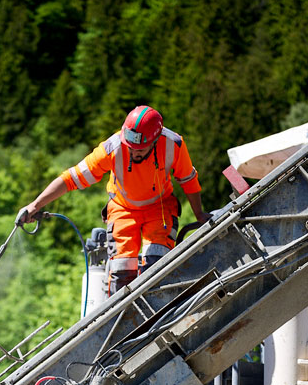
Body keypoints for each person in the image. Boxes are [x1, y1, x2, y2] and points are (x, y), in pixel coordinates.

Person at [17, 105, 206, 293]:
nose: (133, 152)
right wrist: (35, 205)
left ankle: (160, 316)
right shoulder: (112, 148)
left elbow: (188, 179)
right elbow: (71, 178)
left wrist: (199, 214)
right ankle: (123, 319)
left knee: (157, 268)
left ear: (155, 140)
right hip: (122, 209)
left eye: (139, 149)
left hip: (160, 208)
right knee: (121, 274)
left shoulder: (173, 144)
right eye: (130, 147)